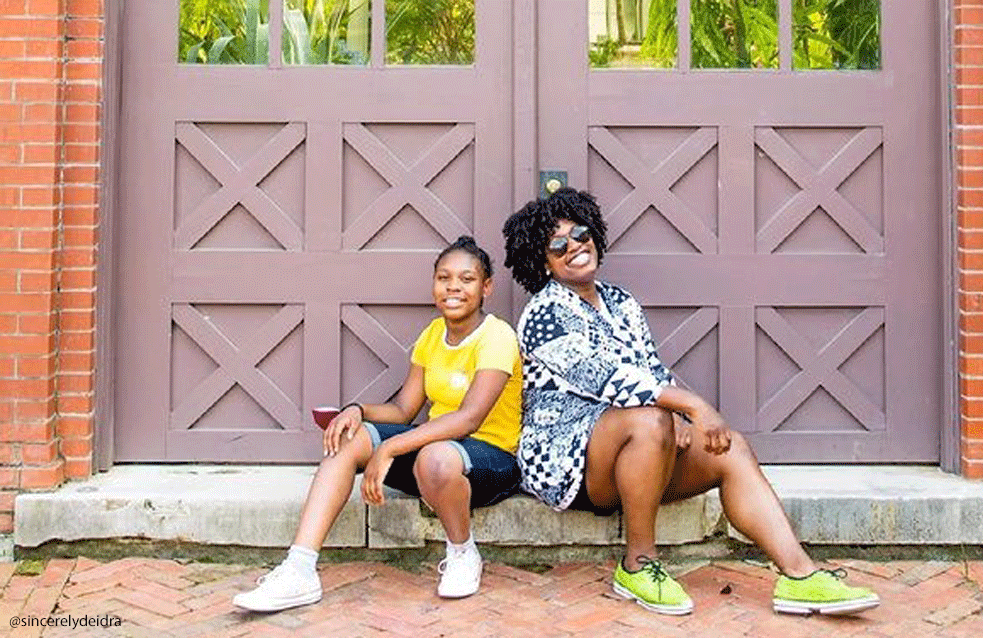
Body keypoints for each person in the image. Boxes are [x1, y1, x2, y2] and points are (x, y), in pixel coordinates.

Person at [502, 188, 879, 617]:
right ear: (542, 261)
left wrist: (679, 414)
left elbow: (650, 369)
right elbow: (604, 379)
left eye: (581, 233)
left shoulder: (620, 302)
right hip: (567, 460)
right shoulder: (543, 313)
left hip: (633, 444)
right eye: (557, 244)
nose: (574, 245)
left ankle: (800, 576)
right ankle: (639, 565)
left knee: (729, 446)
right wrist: (691, 406)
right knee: (647, 422)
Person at [234, 236, 523, 611]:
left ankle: (463, 553)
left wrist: (392, 447)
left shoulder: (497, 336)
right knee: (349, 437)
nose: (453, 287)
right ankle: (299, 569)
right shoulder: (433, 335)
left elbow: (469, 418)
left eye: (466, 279)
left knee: (434, 457)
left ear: (486, 288)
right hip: (434, 456)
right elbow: (404, 409)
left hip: (491, 460)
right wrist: (357, 410)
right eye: (443, 277)